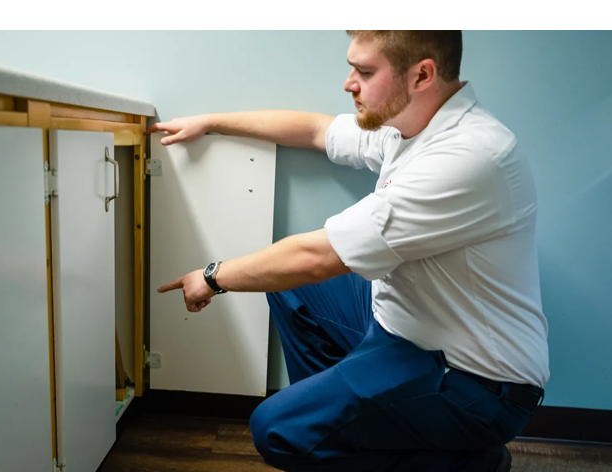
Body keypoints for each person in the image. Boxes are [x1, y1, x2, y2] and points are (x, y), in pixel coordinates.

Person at [148, 30, 549, 472]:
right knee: (291, 291)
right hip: (403, 322)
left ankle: (470, 460)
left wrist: (211, 276)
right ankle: (355, 422)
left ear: (422, 74)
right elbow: (317, 129)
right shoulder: (408, 126)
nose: (348, 82)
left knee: (275, 428)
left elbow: (316, 257)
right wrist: (212, 121)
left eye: (364, 71)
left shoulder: (469, 156)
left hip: (472, 380)